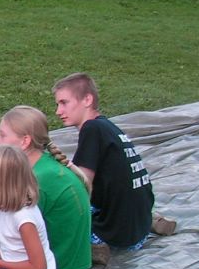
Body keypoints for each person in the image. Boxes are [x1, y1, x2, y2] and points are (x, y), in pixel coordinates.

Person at [0, 106, 93, 269]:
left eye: (2, 135)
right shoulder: (45, 164)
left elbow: (31, 245)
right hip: (68, 255)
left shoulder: (33, 182)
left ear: (25, 141)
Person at [53, 72, 158, 251]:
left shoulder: (91, 128)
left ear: (87, 100)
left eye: (64, 103)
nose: (58, 111)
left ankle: (93, 252)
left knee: (50, 224)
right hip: (139, 227)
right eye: (57, 104)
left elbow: (80, 185)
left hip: (118, 237)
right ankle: (154, 221)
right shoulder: (107, 126)